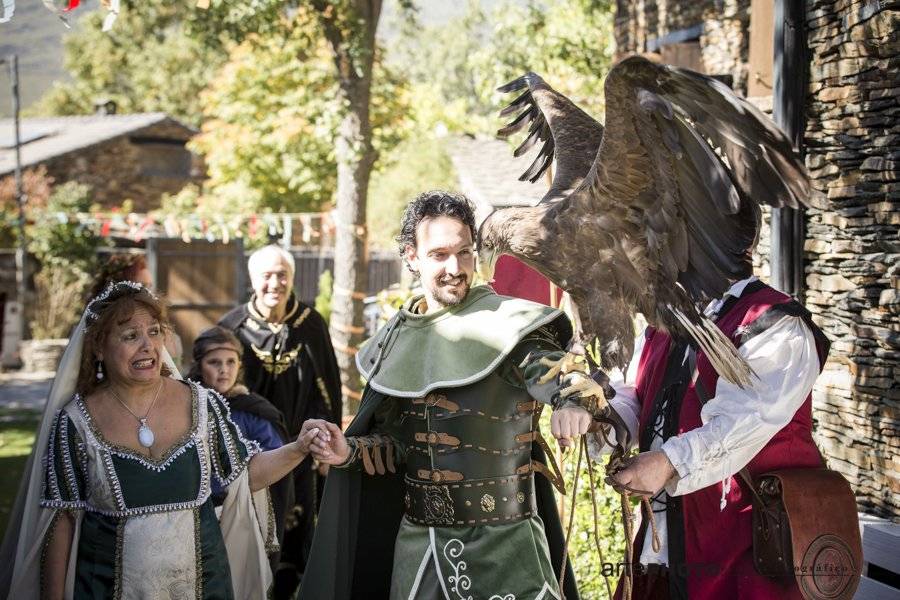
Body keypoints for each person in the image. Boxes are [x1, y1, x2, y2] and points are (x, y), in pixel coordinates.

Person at [298, 190, 600, 600]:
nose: (455, 268)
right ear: (412, 257)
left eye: (464, 252)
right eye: (439, 254)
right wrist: (347, 452)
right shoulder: (396, 338)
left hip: (505, 548)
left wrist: (573, 401)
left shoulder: (511, 324)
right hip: (419, 546)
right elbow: (399, 446)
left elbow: (563, 376)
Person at [0, 281, 321, 599]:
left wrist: (299, 447)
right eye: (130, 336)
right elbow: (61, 521)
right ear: (98, 347)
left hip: (206, 588)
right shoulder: (75, 422)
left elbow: (245, 473)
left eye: (154, 332)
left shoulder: (203, 404)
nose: (148, 346)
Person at [590, 274, 830, 599]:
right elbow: (638, 396)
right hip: (667, 550)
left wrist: (668, 462)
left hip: (747, 552)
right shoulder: (668, 320)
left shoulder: (774, 323)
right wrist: (601, 417)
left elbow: (744, 422)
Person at [218, 244, 342, 598]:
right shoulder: (233, 328)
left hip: (300, 454)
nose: (275, 283)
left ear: (292, 278)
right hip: (247, 460)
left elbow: (327, 387)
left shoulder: (309, 324)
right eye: (267, 276)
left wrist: (327, 445)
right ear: (254, 280)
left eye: (282, 275)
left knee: (296, 531)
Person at [186, 325, 294, 568]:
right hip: (193, 514)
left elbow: (275, 458)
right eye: (214, 362)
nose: (224, 370)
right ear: (199, 366)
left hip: (243, 513)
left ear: (240, 366)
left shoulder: (254, 411)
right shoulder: (185, 406)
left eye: (231, 362)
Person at [89, 252, 184, 369]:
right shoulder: (94, 330)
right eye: (141, 286)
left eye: (149, 286)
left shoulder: (167, 333)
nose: (148, 292)